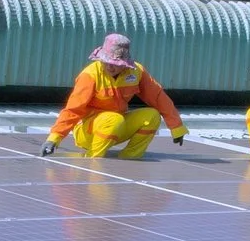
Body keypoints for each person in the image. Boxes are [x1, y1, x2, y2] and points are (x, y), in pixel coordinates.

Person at [42, 34, 187, 160]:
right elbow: (73, 110)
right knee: (113, 119)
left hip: (117, 127)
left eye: (115, 63)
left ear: (125, 63)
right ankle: (93, 160)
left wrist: (176, 127)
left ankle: (130, 158)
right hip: (88, 132)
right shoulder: (90, 75)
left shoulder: (136, 73)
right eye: (106, 62)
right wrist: (54, 138)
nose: (110, 67)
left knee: (152, 116)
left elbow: (158, 98)